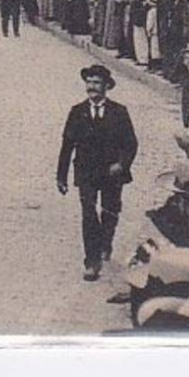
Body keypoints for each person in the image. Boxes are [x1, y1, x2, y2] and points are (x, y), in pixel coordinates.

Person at [56, 63, 139, 280]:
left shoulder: (119, 112)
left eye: (97, 83)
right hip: (86, 173)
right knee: (88, 214)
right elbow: (67, 146)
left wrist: (122, 164)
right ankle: (92, 261)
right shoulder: (77, 112)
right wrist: (61, 177)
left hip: (112, 173)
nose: (92, 87)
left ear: (106, 86)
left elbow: (131, 144)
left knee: (110, 211)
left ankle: (106, 243)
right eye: (89, 82)